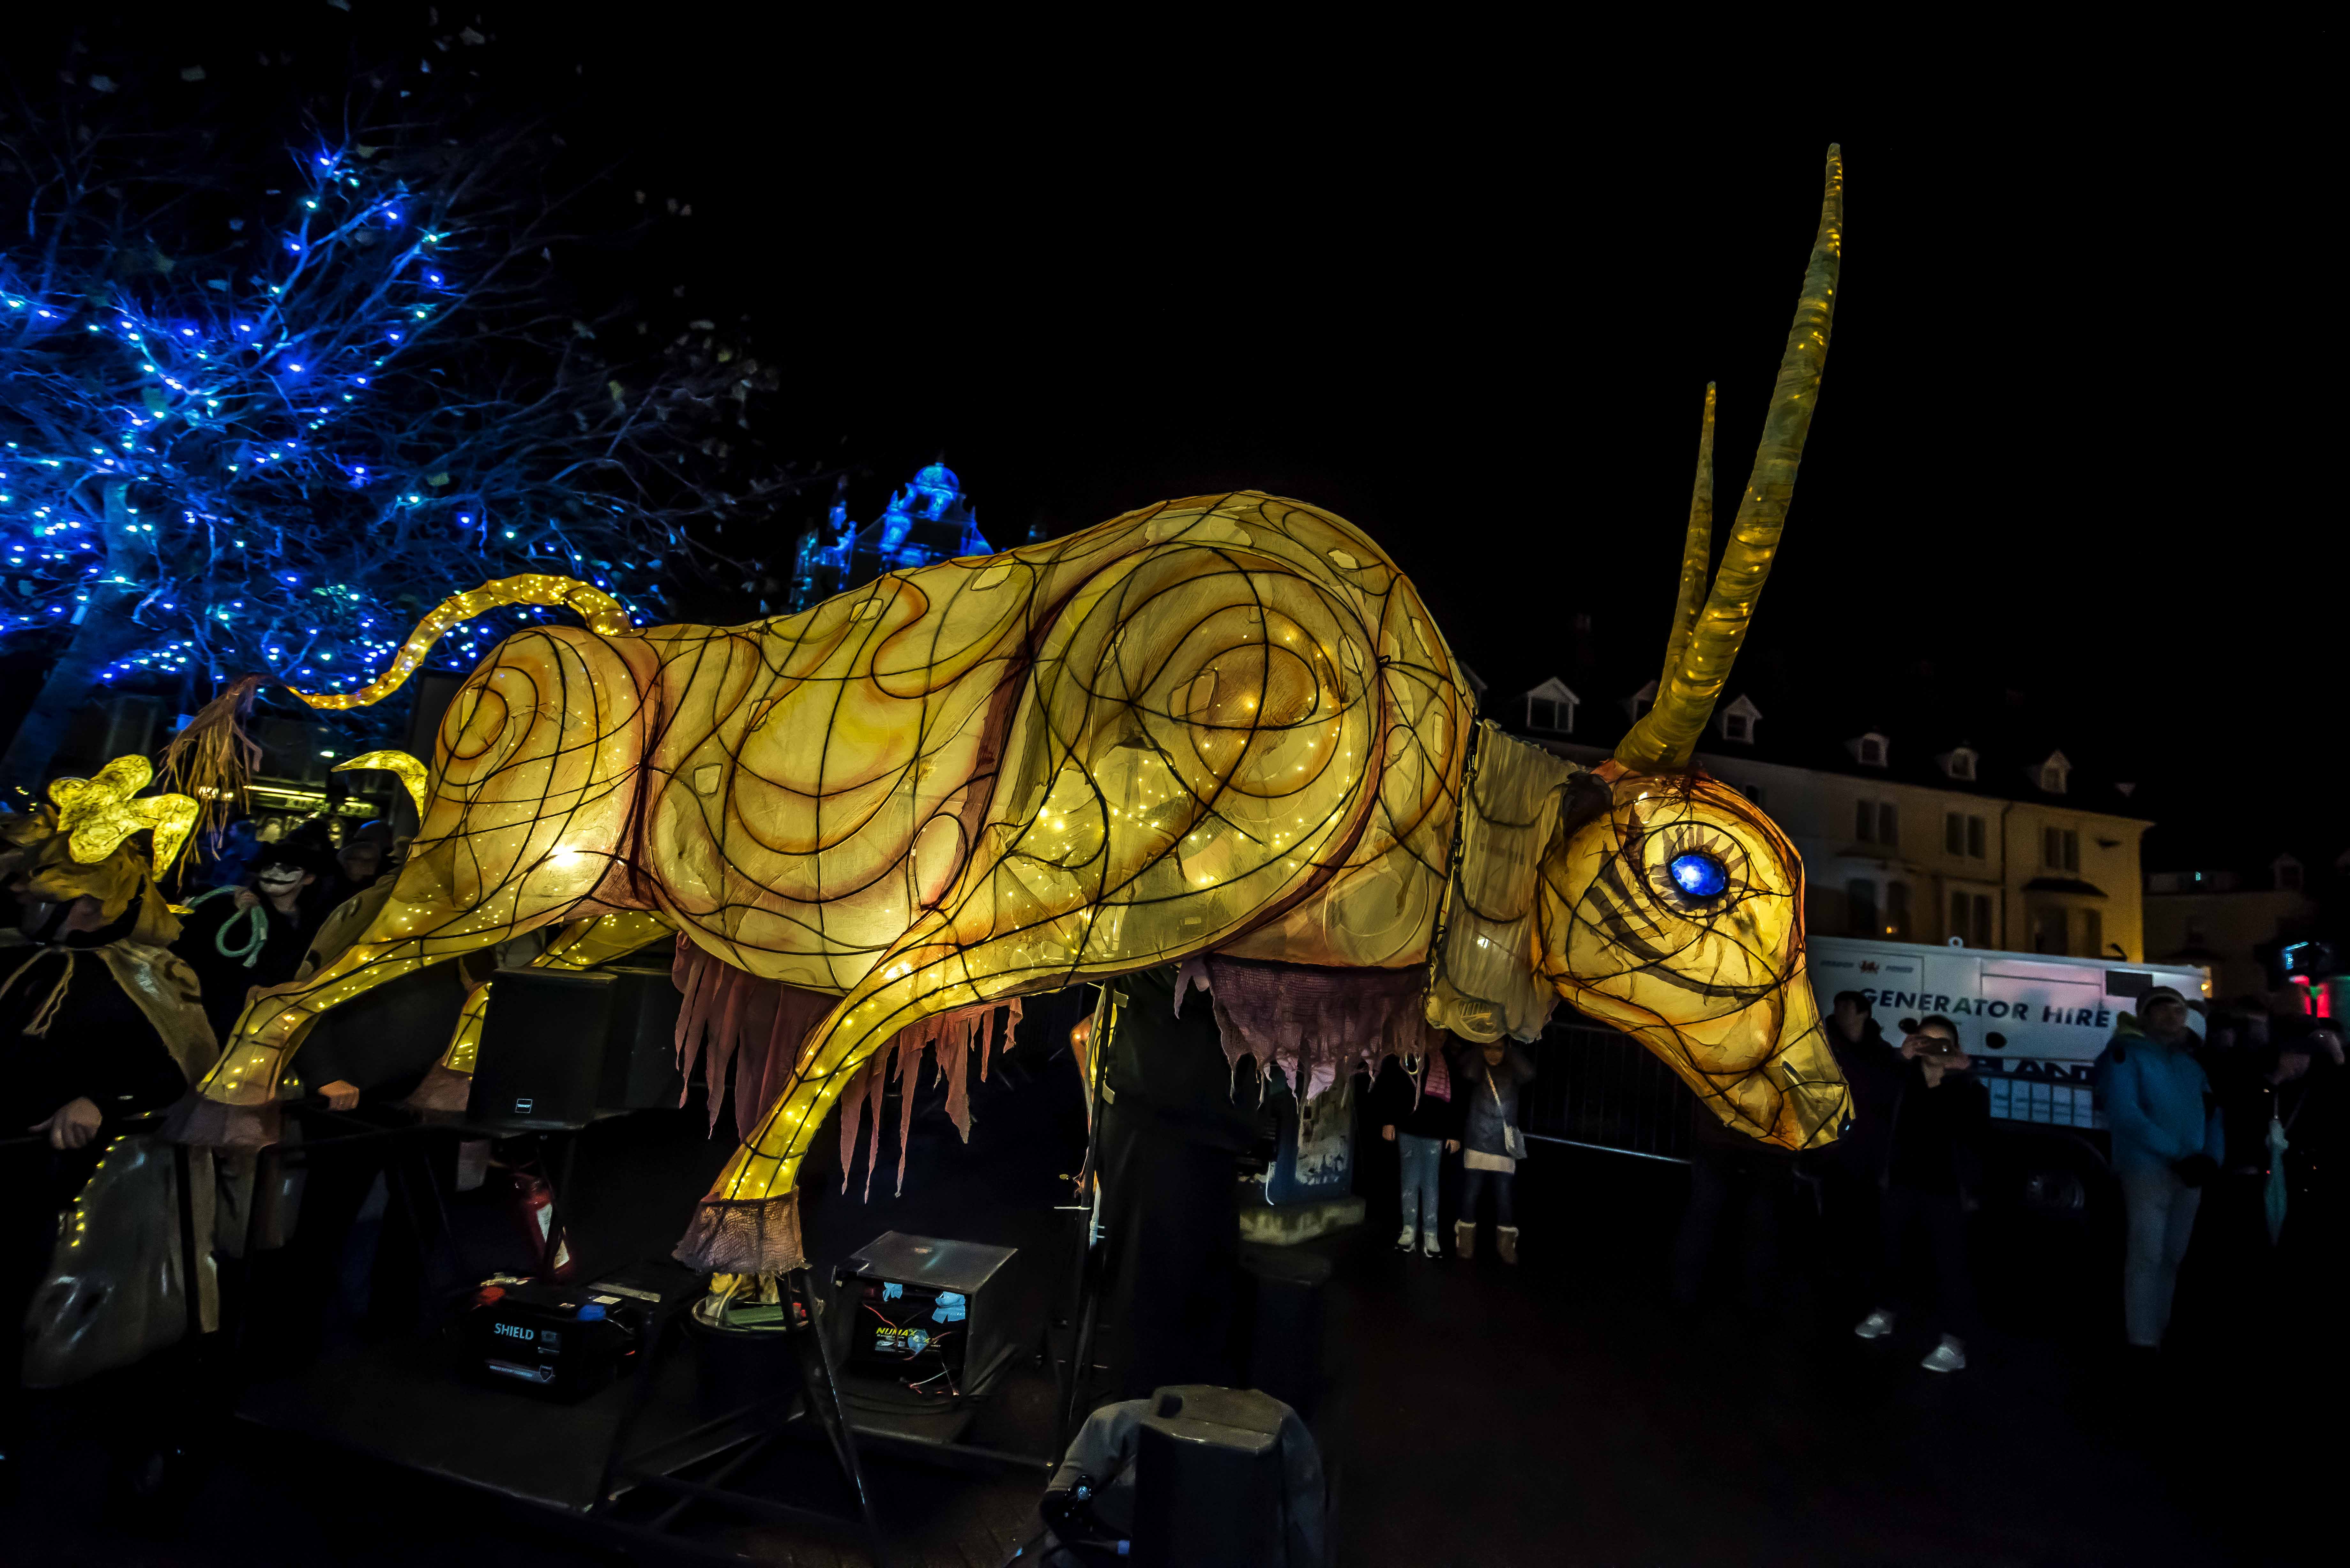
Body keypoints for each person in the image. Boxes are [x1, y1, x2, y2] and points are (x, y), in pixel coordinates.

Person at [1851, 1014, 1989, 1373]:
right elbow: (1873, 1096)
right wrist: (1901, 1058)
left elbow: (1977, 1137)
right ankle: (1884, 1314)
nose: (1933, 1047)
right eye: (1925, 1040)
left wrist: (1960, 1075)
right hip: (1899, 1183)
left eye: (1942, 1042)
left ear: (1955, 1047)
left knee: (1951, 1265)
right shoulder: (1901, 1078)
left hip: (1946, 1191)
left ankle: (1953, 1344)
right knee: (1889, 1252)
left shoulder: (1968, 1088)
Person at [2096, 986, 2224, 1351]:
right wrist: (2178, 1154)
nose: (2172, 1016)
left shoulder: (2191, 1065)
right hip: (2146, 1170)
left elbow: (2214, 1113)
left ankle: (2160, 1326)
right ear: (2145, 1017)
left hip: (2191, 1172)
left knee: (2172, 1255)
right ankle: (2142, 1336)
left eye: (2178, 1010)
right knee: (2147, 1254)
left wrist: (2211, 1158)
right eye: (2162, 1010)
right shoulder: (2125, 1055)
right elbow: (2125, 1113)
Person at [171, 840, 330, 1044]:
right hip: (222, 1013)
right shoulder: (226, 908)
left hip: (273, 1017)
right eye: (269, 866)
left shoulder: (314, 921)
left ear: (308, 879)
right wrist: (236, 914)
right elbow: (194, 950)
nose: (275, 873)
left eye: (288, 869)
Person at [1815, 991, 1902, 1316]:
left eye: (1846, 1006)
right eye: (1836, 1005)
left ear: (1863, 1012)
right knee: (1836, 1215)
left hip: (1869, 1149)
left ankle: (1863, 1284)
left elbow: (1886, 1096)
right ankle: (1835, 1281)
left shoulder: (1880, 1053)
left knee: (1867, 1217)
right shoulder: (1826, 1047)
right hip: (1836, 1150)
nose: (1838, 1011)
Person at [1371, 1049, 1460, 1257]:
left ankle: (1431, 1233)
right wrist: (1389, 1120)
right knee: (1409, 1181)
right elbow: (1391, 1086)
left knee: (1431, 1184)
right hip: (1408, 1127)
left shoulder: (1446, 1060)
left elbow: (1456, 1097)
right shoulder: (1405, 1055)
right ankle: (1409, 1230)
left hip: (1436, 1130)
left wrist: (1454, 1133)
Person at [1454, 1039, 1534, 1264]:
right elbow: (1467, 1072)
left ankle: (1506, 1245)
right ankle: (1466, 1241)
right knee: (1471, 1194)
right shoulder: (1478, 1068)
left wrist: (1509, 1049)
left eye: (1498, 1048)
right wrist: (1479, 1048)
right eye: (1488, 1047)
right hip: (1477, 1140)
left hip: (1503, 1144)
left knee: (1505, 1196)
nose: (1493, 1053)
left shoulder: (1514, 1069)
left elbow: (1529, 1073)